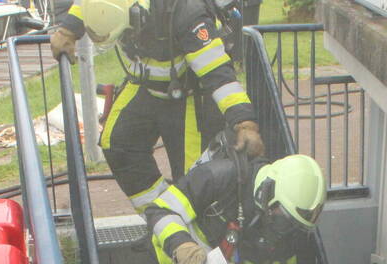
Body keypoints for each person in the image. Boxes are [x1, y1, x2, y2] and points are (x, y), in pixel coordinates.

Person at [50, 0, 264, 213]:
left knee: (193, 181)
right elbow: (90, 4)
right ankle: (162, 220)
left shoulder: (188, 12)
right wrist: (68, 29)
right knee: (117, 144)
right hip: (145, 86)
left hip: (190, 96)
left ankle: (190, 237)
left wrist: (244, 122)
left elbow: (217, 72)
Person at [144, 144, 325, 264]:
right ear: (267, 191)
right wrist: (181, 245)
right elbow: (159, 210)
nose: (285, 230)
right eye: (284, 218)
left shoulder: (285, 226)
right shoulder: (217, 176)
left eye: (294, 225)